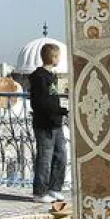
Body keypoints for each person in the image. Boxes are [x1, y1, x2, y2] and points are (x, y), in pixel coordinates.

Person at [27, 42, 69, 204]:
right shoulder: (39, 77)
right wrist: (58, 111)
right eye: (58, 56)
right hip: (44, 124)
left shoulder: (51, 76)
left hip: (55, 123)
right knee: (45, 158)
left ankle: (54, 188)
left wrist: (59, 112)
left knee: (61, 156)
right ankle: (40, 191)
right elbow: (42, 102)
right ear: (53, 57)